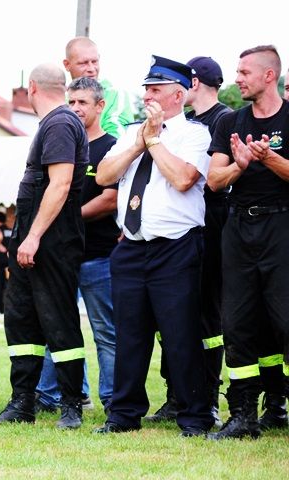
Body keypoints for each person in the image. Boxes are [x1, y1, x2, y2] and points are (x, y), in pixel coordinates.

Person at [94, 55, 214, 437]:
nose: (148, 94)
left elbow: (183, 179)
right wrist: (138, 144)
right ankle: (124, 415)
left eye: (156, 89)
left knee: (180, 335)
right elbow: (103, 176)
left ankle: (195, 416)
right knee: (130, 335)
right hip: (132, 246)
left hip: (175, 248)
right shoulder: (130, 132)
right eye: (146, 88)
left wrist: (156, 140)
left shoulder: (195, 134)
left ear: (178, 95)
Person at [0, 63, 88, 429]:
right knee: (21, 321)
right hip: (33, 240)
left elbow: (60, 185)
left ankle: (71, 407)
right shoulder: (53, 124)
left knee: (59, 322)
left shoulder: (60, 123)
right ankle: (22, 403)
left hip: (52, 242)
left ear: (31, 88)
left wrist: (33, 236)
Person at [206, 45, 289, 440]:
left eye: (244, 72)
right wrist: (239, 166)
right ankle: (242, 416)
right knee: (236, 323)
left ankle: (279, 405)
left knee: (285, 323)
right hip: (238, 228)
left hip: (282, 228)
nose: (237, 78)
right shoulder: (231, 122)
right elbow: (213, 180)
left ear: (269, 76)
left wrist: (269, 160)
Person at [146, 56, 231, 427]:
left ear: (190, 84)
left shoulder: (222, 119)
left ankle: (207, 396)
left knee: (207, 318)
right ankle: (176, 395)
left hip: (212, 224)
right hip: (181, 230)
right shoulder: (182, 124)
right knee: (175, 318)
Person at [35, 76, 118, 414]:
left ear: (100, 106)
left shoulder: (112, 147)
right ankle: (50, 395)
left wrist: (65, 217)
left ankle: (113, 400)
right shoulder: (62, 143)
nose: (75, 109)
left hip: (99, 255)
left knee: (105, 332)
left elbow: (110, 200)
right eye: (71, 102)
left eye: (83, 102)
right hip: (62, 256)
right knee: (56, 329)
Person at [63, 37, 134, 138]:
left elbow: (117, 139)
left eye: (95, 61)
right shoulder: (60, 97)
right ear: (67, 64)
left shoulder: (116, 94)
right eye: (83, 63)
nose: (91, 69)